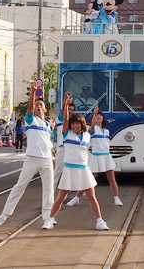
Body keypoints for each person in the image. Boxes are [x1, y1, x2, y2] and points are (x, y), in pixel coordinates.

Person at [43, 92, 108, 230]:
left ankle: (100, 221)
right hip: (69, 169)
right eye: (73, 124)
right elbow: (65, 119)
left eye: (77, 124)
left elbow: (91, 127)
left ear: (81, 124)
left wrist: (95, 115)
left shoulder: (86, 136)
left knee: (92, 197)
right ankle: (49, 219)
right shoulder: (67, 134)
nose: (75, 126)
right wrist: (66, 103)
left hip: (83, 169)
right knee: (61, 197)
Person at [0, 83, 54, 226]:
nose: (39, 106)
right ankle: (5, 213)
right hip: (32, 158)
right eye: (37, 105)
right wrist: (33, 93)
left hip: (47, 159)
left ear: (46, 109)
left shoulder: (47, 125)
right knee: (20, 186)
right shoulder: (30, 120)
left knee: (49, 189)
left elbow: (47, 141)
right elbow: (29, 109)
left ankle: (48, 218)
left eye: (41, 105)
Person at [66, 108, 123, 207]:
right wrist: (94, 115)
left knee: (112, 178)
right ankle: (77, 198)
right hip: (96, 156)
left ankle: (116, 198)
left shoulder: (106, 131)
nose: (98, 117)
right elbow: (91, 127)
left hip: (106, 156)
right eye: (97, 116)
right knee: (89, 179)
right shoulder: (92, 130)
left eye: (100, 115)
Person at [54, 102, 74, 188]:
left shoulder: (74, 122)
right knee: (58, 171)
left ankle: (78, 190)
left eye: (72, 110)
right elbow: (54, 135)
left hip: (71, 148)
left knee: (73, 170)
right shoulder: (60, 119)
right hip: (61, 147)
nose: (70, 111)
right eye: (68, 109)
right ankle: (52, 190)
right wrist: (65, 101)